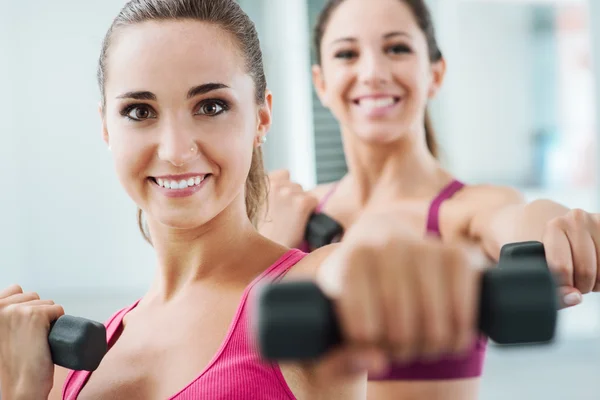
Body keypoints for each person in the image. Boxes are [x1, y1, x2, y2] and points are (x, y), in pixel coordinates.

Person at [0, 0, 515, 399]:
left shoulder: (306, 290)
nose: (177, 150)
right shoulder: (79, 353)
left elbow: (357, 267)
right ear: (105, 127)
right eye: (139, 111)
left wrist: (387, 253)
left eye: (212, 105)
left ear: (261, 118)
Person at [257, 0, 600, 399]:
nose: (373, 73)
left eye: (397, 48)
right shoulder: (290, 212)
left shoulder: (469, 210)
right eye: (347, 54)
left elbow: (523, 222)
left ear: (435, 73)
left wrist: (566, 229)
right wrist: (265, 249)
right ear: (321, 83)